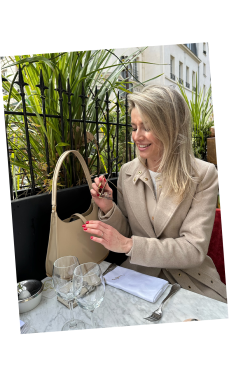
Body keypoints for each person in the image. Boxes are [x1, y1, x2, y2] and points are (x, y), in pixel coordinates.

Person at [82, 84, 227, 304]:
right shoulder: (127, 172)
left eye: (146, 127)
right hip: (139, 276)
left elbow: (193, 249)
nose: (136, 137)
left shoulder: (203, 174)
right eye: (133, 127)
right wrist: (109, 208)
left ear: (170, 127)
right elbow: (130, 231)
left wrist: (129, 246)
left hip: (189, 280)